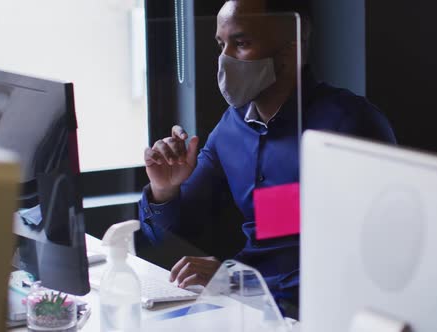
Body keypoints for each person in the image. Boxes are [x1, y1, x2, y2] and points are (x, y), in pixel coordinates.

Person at [138, 0, 396, 318]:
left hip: (318, 312)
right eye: (221, 44)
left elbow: (368, 254)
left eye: (242, 43)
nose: (223, 59)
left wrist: (237, 282)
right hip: (250, 305)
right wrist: (164, 190)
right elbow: (173, 236)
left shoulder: (349, 125)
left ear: (291, 50)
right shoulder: (231, 127)